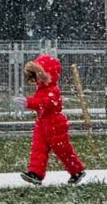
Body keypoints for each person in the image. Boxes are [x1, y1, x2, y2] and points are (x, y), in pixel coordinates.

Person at [14, 54, 86, 186]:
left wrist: (29, 102)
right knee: (38, 149)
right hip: (42, 123)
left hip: (54, 124)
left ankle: (77, 171)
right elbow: (41, 103)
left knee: (63, 149)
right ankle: (36, 173)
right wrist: (30, 103)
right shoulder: (42, 89)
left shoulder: (53, 90)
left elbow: (46, 103)